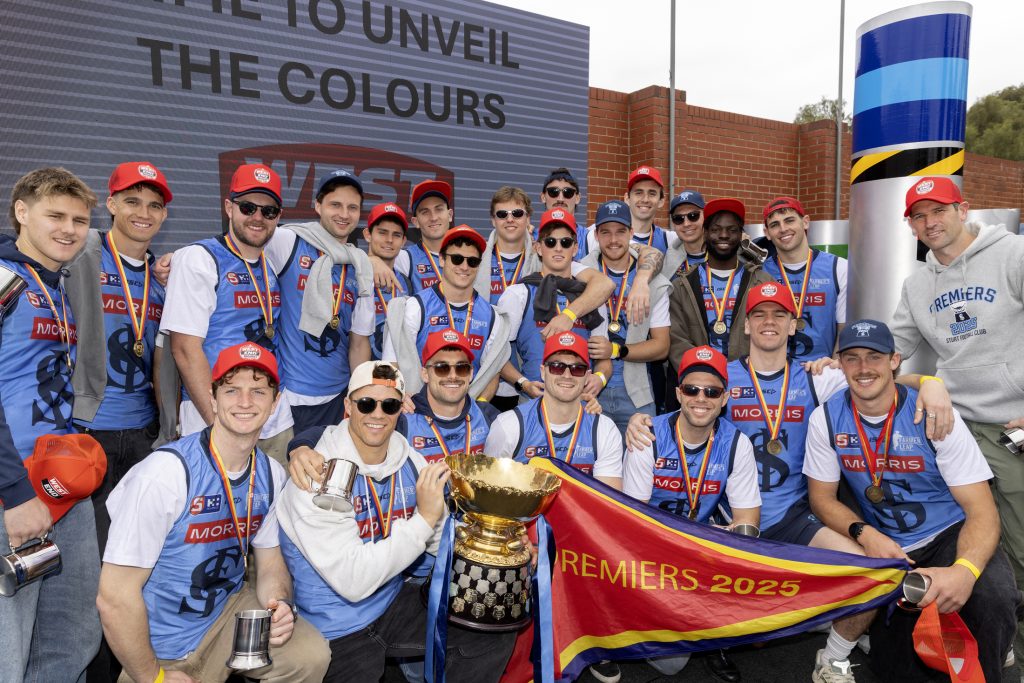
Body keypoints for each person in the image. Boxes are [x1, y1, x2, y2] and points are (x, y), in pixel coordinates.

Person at [96, 342, 329, 683]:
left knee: (308, 655)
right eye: (232, 390)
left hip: (225, 623)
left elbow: (269, 564)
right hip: (158, 644)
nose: (245, 402)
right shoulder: (165, 474)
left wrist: (279, 603)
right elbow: (114, 598)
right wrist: (153, 677)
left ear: (275, 402)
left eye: (258, 391)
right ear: (213, 398)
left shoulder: (270, 474)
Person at [804, 320, 1020, 683]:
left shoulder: (935, 415)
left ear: (894, 360)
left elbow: (982, 511)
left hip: (949, 533)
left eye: (874, 356)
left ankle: (998, 632)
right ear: (840, 364)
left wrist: (964, 572)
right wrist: (865, 534)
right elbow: (821, 498)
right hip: (889, 544)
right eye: (852, 358)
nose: (863, 367)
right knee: (898, 668)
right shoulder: (824, 419)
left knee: (990, 598)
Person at [277, 361, 515, 682]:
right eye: (366, 403)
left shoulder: (410, 459)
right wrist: (424, 519)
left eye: (389, 405)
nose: (378, 414)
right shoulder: (315, 472)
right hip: (335, 627)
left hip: (390, 603)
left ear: (400, 410)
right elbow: (354, 581)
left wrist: (499, 549)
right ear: (348, 406)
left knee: (491, 628)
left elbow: (442, 539)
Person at [892, 176, 1024, 663]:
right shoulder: (917, 284)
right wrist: (922, 379)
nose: (930, 223)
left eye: (939, 211)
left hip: (1011, 424)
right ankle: (996, 638)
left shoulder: (1012, 254)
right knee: (970, 537)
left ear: (963, 209)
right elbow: (891, 352)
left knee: (1020, 544)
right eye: (919, 216)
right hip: (954, 427)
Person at [66, 161, 172, 682]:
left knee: (138, 568)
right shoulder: (80, 254)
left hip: (146, 438)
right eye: (131, 201)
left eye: (154, 205)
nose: (143, 213)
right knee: (91, 574)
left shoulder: (163, 276)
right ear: (109, 205)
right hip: (88, 435)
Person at [0, 166, 100, 682]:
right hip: (14, 491)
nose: (69, 229)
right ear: (21, 212)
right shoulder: (5, 276)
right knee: (8, 647)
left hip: (61, 486)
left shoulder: (54, 282)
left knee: (74, 635)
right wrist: (13, 492)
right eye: (55, 216)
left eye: (80, 220)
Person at [622, 345, 760, 682]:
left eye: (711, 391)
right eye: (692, 389)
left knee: (750, 573)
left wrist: (729, 548)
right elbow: (633, 525)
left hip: (703, 548)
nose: (701, 398)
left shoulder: (737, 443)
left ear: (725, 398)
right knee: (672, 665)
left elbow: (748, 522)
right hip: (652, 549)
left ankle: (711, 634)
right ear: (678, 393)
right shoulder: (647, 436)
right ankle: (671, 618)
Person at [160, 163, 293, 463]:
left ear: (278, 217)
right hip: (217, 421)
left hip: (274, 422)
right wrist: (220, 428)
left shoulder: (272, 262)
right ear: (229, 208)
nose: (258, 217)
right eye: (248, 207)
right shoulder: (199, 258)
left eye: (268, 211)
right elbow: (184, 349)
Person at [265, 169, 374, 432]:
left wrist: (358, 395)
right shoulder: (288, 241)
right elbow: (240, 246)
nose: (344, 214)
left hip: (338, 397)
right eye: (335, 205)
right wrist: (176, 259)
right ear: (317, 206)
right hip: (289, 397)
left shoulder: (361, 267)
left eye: (352, 207)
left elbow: (359, 343)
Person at [497, 208, 614, 401]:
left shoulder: (591, 298)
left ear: (575, 249)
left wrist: (600, 378)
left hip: (580, 404)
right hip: (535, 401)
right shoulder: (518, 294)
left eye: (565, 242)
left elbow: (603, 359)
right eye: (550, 242)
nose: (558, 248)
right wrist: (523, 383)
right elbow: (496, 354)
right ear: (538, 248)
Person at [384, 225, 510, 400]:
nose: (464, 267)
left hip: (468, 409)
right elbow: (391, 365)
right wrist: (403, 400)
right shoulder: (414, 307)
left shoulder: (492, 317)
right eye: (457, 259)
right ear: (442, 259)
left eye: (472, 261)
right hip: (418, 407)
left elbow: (492, 373)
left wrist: (478, 406)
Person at [485, 331, 623, 487]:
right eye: (557, 367)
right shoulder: (508, 426)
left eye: (577, 368)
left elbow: (606, 498)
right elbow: (491, 493)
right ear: (543, 372)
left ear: (587, 376)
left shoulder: (604, 429)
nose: (567, 375)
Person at [581, 200, 671, 434]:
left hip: (637, 395)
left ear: (631, 233)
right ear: (596, 235)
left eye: (620, 231)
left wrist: (615, 350)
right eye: (605, 232)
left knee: (642, 455)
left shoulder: (653, 282)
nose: (613, 240)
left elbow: (662, 346)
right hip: (587, 392)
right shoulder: (580, 273)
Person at [668, 197, 772, 370]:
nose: (724, 235)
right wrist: (704, 372)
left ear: (741, 235)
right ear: (705, 232)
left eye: (732, 230)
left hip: (749, 377)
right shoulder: (682, 286)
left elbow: (772, 334)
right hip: (700, 379)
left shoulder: (762, 282)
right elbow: (676, 340)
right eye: (716, 229)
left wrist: (746, 372)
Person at [761, 196, 847, 363]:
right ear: (767, 233)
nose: (783, 229)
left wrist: (833, 370)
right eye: (775, 225)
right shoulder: (761, 273)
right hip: (776, 371)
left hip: (822, 369)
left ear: (805, 222)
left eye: (789, 220)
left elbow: (843, 329)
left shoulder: (839, 267)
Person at [363, 201, 413, 360]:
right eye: (382, 232)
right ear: (368, 235)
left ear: (403, 241)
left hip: (394, 370)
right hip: (356, 370)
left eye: (396, 235)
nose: (389, 240)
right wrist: (368, 260)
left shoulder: (406, 282)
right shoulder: (351, 273)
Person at [395, 179, 454, 293]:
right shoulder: (404, 258)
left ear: (450, 215)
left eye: (439, 209)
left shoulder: (469, 256)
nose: (433, 218)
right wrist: (375, 261)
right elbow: (371, 264)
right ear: (415, 221)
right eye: (425, 212)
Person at [539, 167, 590, 257]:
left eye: (568, 192)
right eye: (553, 192)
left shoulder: (590, 239)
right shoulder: (530, 237)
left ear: (577, 198)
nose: (560, 199)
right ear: (543, 197)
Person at [664, 189, 708, 281]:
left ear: (705, 216)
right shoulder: (666, 261)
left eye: (693, 216)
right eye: (678, 218)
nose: (686, 224)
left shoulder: (724, 253)